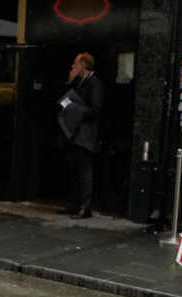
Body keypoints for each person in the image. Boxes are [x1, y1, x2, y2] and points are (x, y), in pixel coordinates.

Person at [57, 53, 104, 219]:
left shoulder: (94, 83)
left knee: (84, 170)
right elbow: (63, 102)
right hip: (73, 134)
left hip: (84, 136)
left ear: (83, 65)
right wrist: (69, 82)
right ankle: (76, 204)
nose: (72, 67)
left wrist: (75, 110)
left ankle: (86, 206)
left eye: (75, 63)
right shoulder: (79, 83)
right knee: (74, 170)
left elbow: (95, 110)